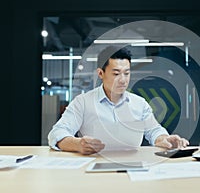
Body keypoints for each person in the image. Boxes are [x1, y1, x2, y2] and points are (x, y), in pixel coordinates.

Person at [48, 45, 189, 155]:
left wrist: (165, 139)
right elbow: (57, 133)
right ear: (100, 73)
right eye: (116, 74)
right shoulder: (83, 102)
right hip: (93, 166)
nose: (123, 80)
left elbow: (154, 131)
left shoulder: (139, 104)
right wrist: (78, 144)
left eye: (126, 73)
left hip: (133, 165)